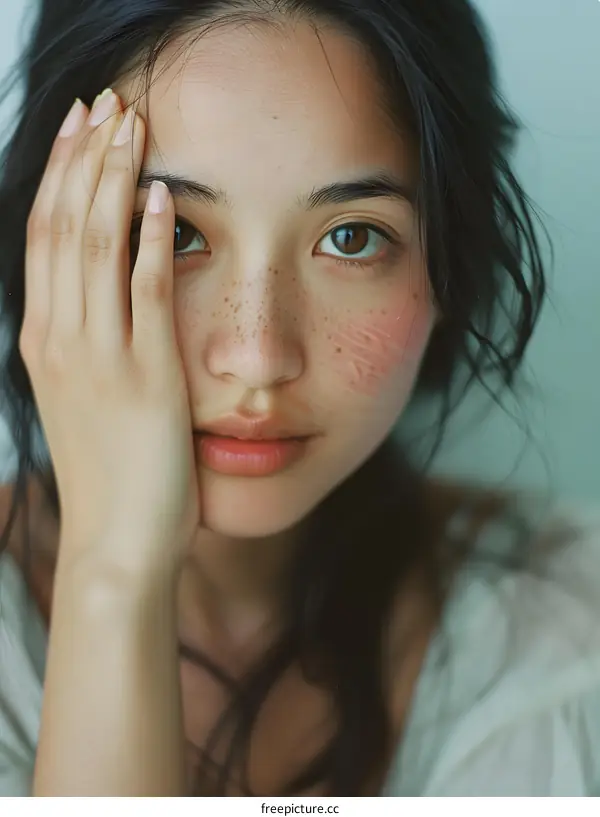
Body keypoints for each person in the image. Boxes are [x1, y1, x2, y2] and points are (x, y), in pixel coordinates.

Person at [0, 0, 598, 798]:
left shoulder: (571, 634)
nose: (256, 356)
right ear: (48, 238)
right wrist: (114, 576)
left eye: (351, 237)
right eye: (173, 232)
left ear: (451, 263)